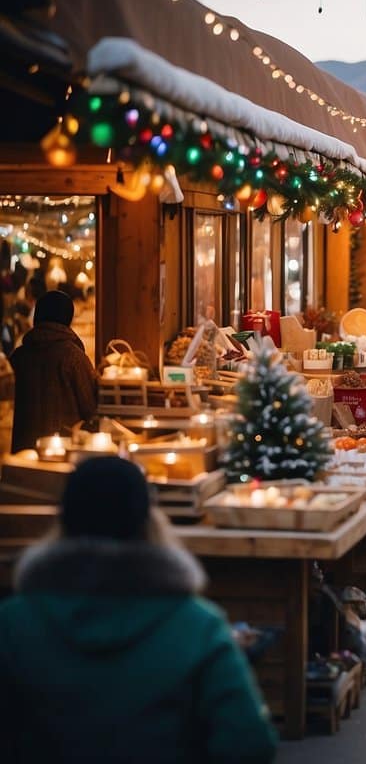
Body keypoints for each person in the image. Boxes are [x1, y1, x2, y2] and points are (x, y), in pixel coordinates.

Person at [0, 456, 277, 762]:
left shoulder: (13, 624)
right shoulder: (197, 626)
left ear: (62, 521)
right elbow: (249, 743)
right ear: (149, 521)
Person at [10, 289, 97, 453]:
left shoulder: (18, 357)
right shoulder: (75, 358)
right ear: (68, 318)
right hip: (64, 452)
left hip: (22, 456)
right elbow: (91, 410)